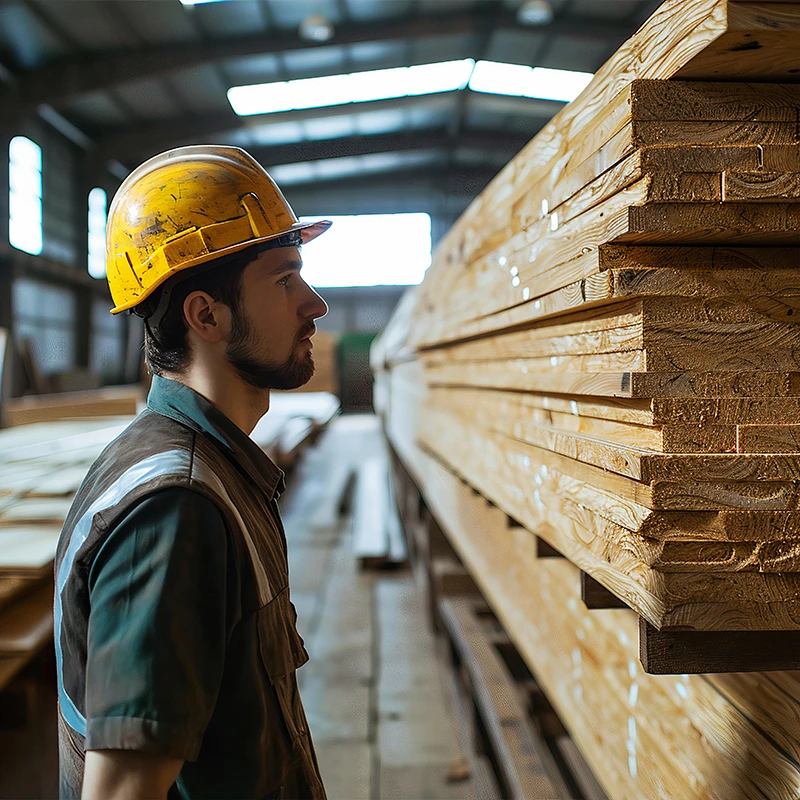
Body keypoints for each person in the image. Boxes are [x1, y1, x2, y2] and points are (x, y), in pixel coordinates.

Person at [54, 145, 331, 800]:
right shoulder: (175, 508)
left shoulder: (214, 472)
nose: (314, 303)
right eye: (285, 279)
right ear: (206, 315)